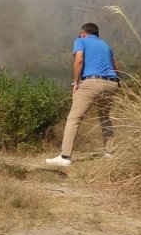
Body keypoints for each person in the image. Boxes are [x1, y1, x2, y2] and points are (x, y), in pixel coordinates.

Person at [46, 22, 120, 166]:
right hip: (112, 83)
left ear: (84, 33)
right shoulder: (106, 45)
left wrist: (76, 82)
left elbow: (79, 60)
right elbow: (116, 67)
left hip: (92, 82)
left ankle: (65, 157)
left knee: (74, 119)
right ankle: (109, 152)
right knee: (105, 117)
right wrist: (116, 82)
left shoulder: (80, 41)